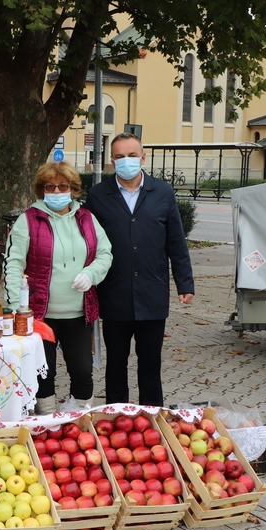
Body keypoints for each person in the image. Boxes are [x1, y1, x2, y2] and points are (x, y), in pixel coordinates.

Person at [85, 132, 195, 407]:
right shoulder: (97, 196)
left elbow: (176, 242)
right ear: (112, 160)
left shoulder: (163, 193)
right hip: (114, 293)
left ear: (143, 158)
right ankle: (117, 416)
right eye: (120, 156)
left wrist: (185, 283)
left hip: (152, 292)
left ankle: (152, 416)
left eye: (132, 155)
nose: (126, 161)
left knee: (150, 364)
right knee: (116, 364)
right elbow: (88, 243)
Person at [5, 161, 112, 414]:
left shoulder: (87, 218)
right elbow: (13, 264)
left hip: (79, 313)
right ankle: (46, 421)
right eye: (49, 186)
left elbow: (105, 253)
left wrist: (91, 274)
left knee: (82, 371)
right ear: (41, 190)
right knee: (44, 373)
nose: (56, 191)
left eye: (63, 186)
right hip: (39, 315)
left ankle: (78, 418)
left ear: (73, 189)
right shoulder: (28, 220)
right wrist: (16, 307)